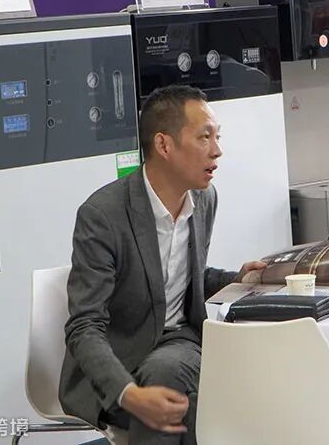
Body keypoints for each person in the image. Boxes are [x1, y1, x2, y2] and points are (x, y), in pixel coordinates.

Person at [59, 85, 266, 444]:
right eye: (204, 137)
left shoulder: (204, 199)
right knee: (179, 386)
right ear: (164, 145)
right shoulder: (103, 215)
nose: (217, 150)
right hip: (120, 356)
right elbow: (84, 326)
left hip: (179, 342)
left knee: (186, 371)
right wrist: (128, 393)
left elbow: (181, 279)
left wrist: (238, 279)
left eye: (217, 137)